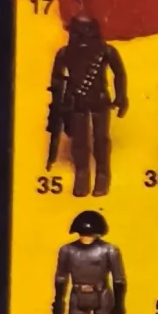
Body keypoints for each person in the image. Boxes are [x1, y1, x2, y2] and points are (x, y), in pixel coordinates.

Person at [48, 18, 128, 197]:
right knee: (79, 142)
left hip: (99, 100)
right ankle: (82, 175)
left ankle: (102, 176)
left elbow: (119, 74)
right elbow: (56, 79)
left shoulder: (106, 51)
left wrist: (121, 97)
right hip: (76, 102)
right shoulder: (65, 53)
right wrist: (58, 105)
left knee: (101, 140)